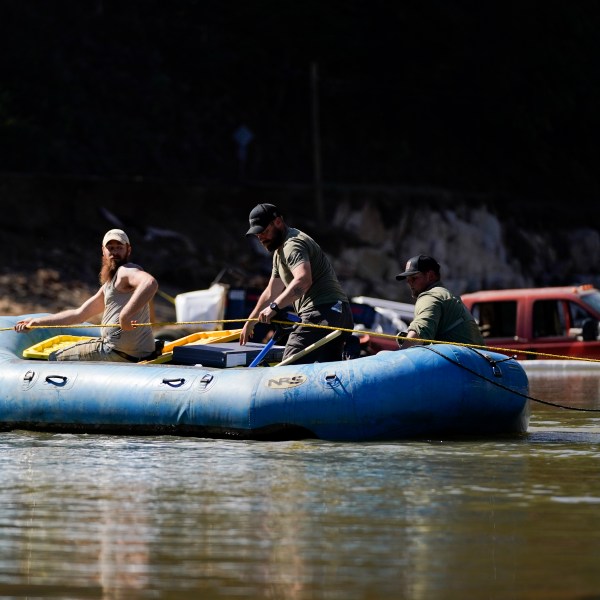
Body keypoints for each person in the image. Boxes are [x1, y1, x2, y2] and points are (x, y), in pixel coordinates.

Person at [14, 229, 159, 362]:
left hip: (115, 353)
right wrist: (36, 322)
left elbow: (150, 283)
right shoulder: (109, 285)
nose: (115, 252)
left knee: (53, 357)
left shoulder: (126, 271)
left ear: (128, 250)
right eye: (111, 248)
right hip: (135, 353)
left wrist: (125, 316)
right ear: (103, 251)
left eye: (120, 247)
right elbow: (79, 314)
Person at [240, 203, 354, 363]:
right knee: (327, 375)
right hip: (340, 313)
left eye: (264, 232)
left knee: (288, 370)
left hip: (322, 313)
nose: (261, 238)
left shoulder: (291, 245)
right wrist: (250, 322)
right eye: (258, 235)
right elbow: (271, 291)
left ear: (278, 222)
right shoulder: (280, 253)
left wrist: (274, 307)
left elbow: (303, 280)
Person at [395, 254, 484, 349]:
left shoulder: (431, 296)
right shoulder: (443, 294)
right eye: (408, 280)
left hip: (465, 360)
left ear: (430, 276)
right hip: (477, 360)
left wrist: (397, 359)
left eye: (414, 278)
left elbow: (417, 334)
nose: (409, 283)